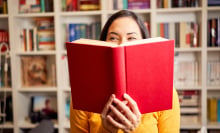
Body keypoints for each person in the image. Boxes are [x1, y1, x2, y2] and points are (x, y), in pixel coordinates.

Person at [70, 9, 180, 133]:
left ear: (145, 43)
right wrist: (105, 130)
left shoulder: (166, 93)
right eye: (113, 38)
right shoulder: (83, 95)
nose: (122, 44)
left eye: (131, 38)